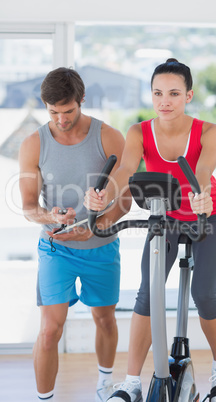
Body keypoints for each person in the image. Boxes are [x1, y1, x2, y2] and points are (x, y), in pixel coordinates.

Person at [84, 59, 216, 401]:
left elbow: (204, 167)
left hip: (207, 212)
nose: (164, 101)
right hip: (164, 215)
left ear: (188, 96)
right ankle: (131, 381)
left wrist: (200, 195)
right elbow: (124, 169)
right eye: (157, 93)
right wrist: (104, 195)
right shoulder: (139, 132)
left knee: (204, 294)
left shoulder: (210, 130)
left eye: (173, 93)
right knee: (147, 294)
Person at [19, 67, 131, 401]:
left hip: (102, 247)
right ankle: (45, 398)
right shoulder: (33, 143)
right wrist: (48, 215)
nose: (61, 119)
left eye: (68, 111)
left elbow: (126, 199)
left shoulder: (109, 137)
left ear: (81, 101)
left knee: (105, 320)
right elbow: (28, 206)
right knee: (50, 329)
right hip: (56, 248)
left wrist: (96, 225)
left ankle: (105, 384)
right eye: (53, 112)